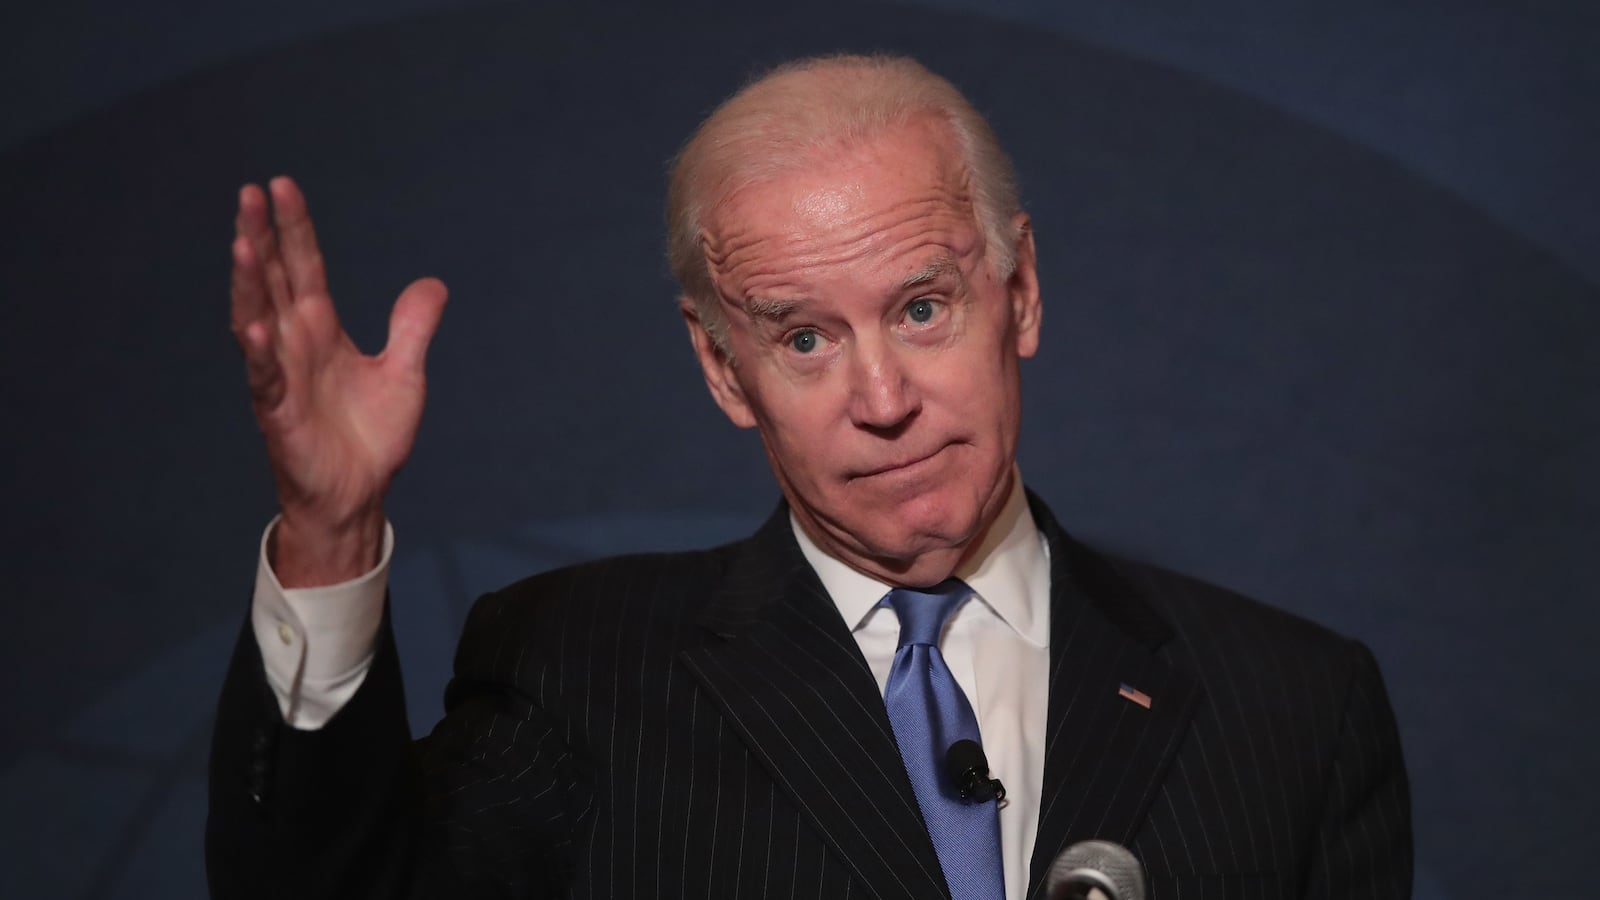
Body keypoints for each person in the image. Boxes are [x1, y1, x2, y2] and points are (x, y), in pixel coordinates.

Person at [207, 55, 1412, 899]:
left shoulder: (1293, 709)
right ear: (723, 370)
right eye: (803, 339)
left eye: (923, 308)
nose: (882, 400)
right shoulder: (575, 670)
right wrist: (330, 528)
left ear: (1022, 290)